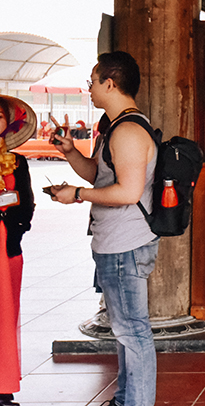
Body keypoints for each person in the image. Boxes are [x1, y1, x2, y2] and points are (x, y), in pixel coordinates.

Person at [50, 52, 159, 406]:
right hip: (116, 243)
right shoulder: (114, 127)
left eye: (93, 82)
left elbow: (127, 192)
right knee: (127, 330)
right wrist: (70, 152)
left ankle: (136, 402)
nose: (90, 90)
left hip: (125, 244)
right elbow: (101, 175)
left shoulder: (127, 131)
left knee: (133, 331)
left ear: (110, 83)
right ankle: (127, 398)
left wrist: (77, 195)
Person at [0, 96, 36, 406]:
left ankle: (3, 383)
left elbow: (26, 204)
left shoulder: (18, 162)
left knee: (5, 313)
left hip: (6, 245)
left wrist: (15, 225)